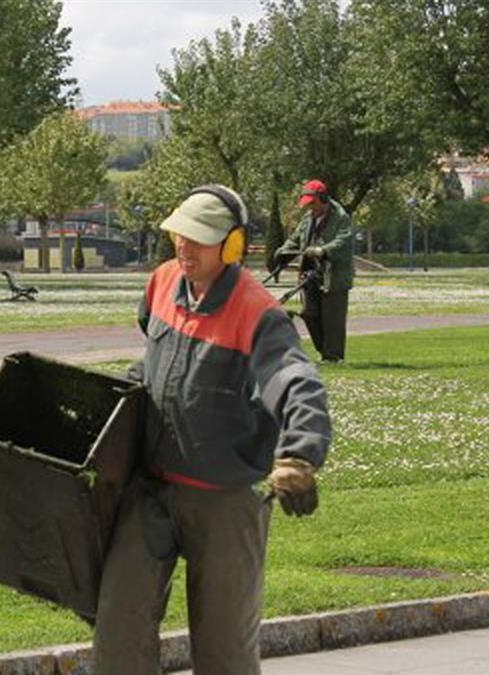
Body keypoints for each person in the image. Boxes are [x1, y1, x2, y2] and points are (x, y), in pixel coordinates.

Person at [93, 185, 332, 675]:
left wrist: (300, 456)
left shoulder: (258, 314)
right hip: (152, 490)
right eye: (179, 235)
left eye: (199, 239)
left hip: (224, 502)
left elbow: (296, 382)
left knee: (224, 650)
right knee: (118, 629)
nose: (184, 247)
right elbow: (156, 362)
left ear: (232, 247)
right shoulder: (161, 282)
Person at [273, 179, 355, 363]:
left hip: (333, 275)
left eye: (313, 203)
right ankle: (324, 352)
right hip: (310, 274)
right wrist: (283, 252)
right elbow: (295, 239)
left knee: (332, 319)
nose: (310, 208)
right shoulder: (308, 218)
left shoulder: (341, 218)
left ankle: (333, 357)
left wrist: (323, 250)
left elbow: (344, 241)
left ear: (323, 198)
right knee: (310, 313)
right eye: (307, 204)